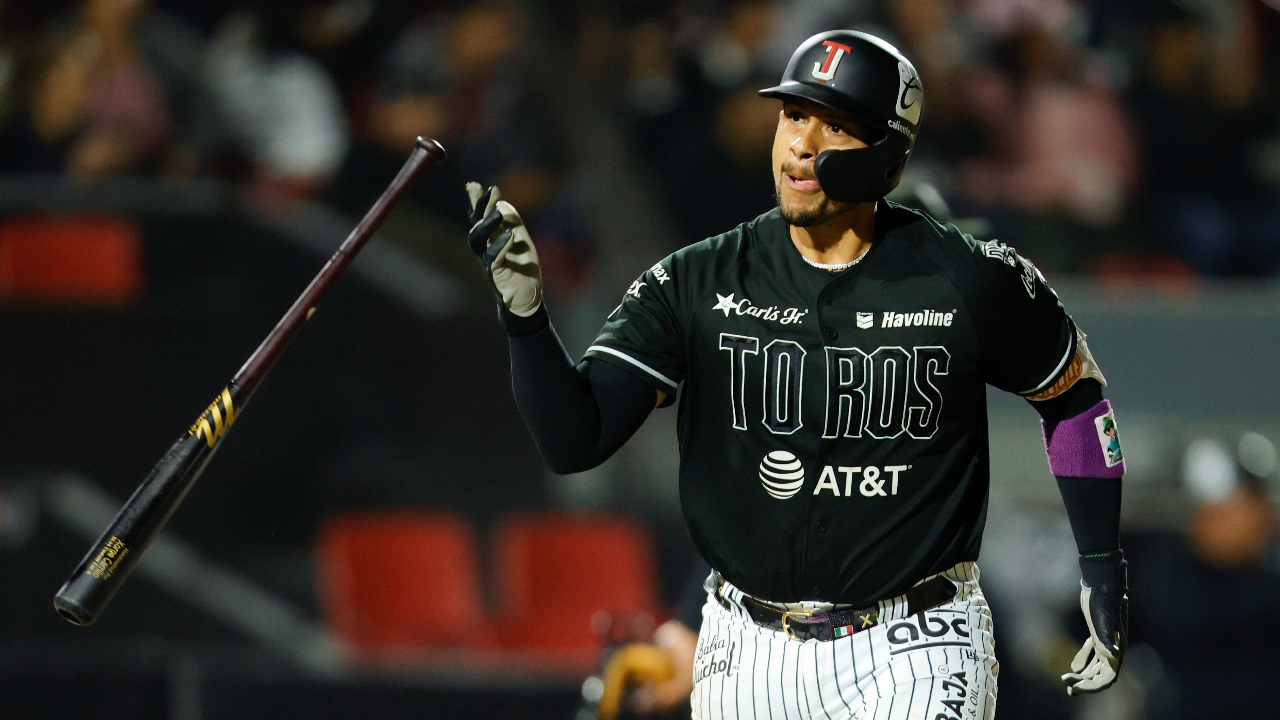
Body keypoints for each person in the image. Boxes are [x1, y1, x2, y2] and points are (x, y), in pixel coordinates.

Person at [464, 30, 1128, 719]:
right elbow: (578, 439)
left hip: (916, 642)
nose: (802, 143)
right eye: (793, 115)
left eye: (835, 124)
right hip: (745, 643)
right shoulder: (697, 280)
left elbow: (1075, 400)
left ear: (888, 157)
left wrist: (1103, 566)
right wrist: (526, 320)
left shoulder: (967, 279)